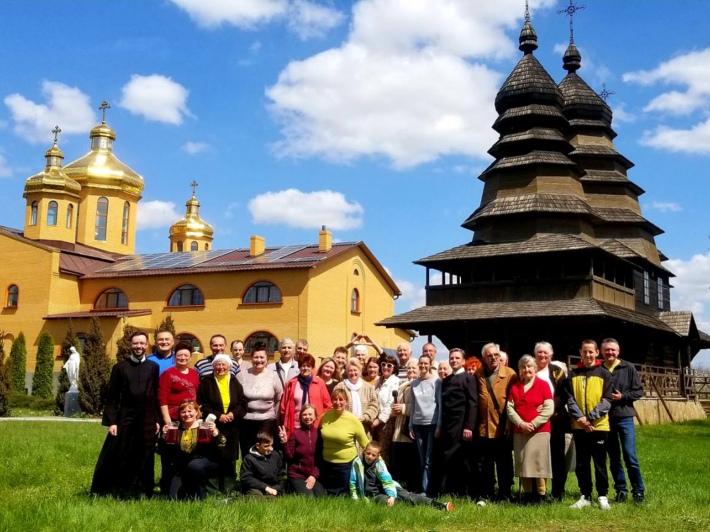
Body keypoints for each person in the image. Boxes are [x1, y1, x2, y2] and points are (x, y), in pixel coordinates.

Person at [91, 331, 160, 498]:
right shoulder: (120, 367)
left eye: (142, 343)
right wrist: (112, 422)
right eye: (136, 343)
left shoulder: (153, 367)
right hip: (125, 416)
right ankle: (118, 489)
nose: (139, 346)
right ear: (131, 345)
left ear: (147, 345)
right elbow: (113, 396)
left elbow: (155, 394)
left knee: (144, 453)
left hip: (147, 417)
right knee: (122, 452)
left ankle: (143, 490)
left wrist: (157, 419)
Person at [567, 339, 613, 510]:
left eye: (591, 352)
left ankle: (602, 496)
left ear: (596, 353)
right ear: (580, 352)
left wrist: (590, 418)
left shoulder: (604, 374)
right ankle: (585, 495)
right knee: (581, 463)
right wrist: (581, 419)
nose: (587, 355)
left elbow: (607, 400)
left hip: (599, 426)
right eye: (584, 352)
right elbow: (570, 399)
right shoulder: (573, 374)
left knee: (600, 463)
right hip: (579, 427)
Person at [601, 338, 645, 504]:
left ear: (618, 352)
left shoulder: (628, 367)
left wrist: (623, 397)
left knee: (629, 455)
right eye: (607, 350)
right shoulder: (600, 368)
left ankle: (638, 491)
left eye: (613, 350)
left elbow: (638, 391)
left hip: (625, 416)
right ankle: (620, 489)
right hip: (606, 418)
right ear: (602, 352)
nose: (610, 353)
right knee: (613, 457)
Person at [349, 441, 452, 511]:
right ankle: (405, 506)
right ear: (364, 451)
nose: (370, 457)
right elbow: (353, 482)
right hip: (375, 495)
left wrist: (392, 496)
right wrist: (355, 499)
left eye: (373, 455)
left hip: (389, 489)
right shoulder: (357, 463)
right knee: (384, 502)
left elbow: (387, 480)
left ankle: (440, 505)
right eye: (368, 453)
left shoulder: (379, 464)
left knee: (407, 496)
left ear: (377, 455)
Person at [506, 355, 554, 504]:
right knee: (523, 462)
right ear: (519, 370)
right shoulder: (515, 387)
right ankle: (527, 495)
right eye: (523, 367)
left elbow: (549, 408)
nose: (526, 369)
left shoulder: (543, 385)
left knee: (539, 462)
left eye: (529, 366)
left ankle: (541, 494)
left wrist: (533, 424)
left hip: (539, 431)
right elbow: (510, 408)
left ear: (534, 368)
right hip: (520, 431)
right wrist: (521, 424)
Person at [197, 354, 247, 493]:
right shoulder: (207, 381)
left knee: (229, 457)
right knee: (213, 456)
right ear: (213, 366)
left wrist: (232, 414)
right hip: (214, 424)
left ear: (229, 366)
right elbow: (202, 404)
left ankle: (228, 488)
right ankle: (212, 489)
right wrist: (219, 416)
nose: (220, 367)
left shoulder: (234, 381)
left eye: (223, 364)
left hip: (232, 425)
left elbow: (243, 403)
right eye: (217, 365)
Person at [474, 343, 517, 504]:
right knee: (485, 464)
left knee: (504, 463)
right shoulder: (478, 374)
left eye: (496, 355)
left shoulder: (510, 374)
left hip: (502, 427)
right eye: (489, 355)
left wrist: (510, 425)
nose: (493, 358)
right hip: (483, 427)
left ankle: (505, 494)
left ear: (500, 356)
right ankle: (487, 493)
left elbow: (514, 399)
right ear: (484, 358)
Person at [157, 341, 200, 495]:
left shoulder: (194, 373)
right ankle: (167, 487)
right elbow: (162, 398)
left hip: (189, 420)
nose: (182, 358)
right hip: (174, 419)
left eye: (186, 355)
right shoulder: (168, 373)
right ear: (175, 357)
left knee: (188, 453)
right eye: (180, 355)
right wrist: (167, 421)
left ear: (190, 358)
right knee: (170, 455)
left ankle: (186, 487)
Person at [161, 399, 225, 500]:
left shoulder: (205, 426)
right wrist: (164, 437)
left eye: (190, 411)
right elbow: (165, 452)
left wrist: (215, 433)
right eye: (183, 412)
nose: (187, 414)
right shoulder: (175, 428)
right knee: (174, 498)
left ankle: (201, 496)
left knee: (195, 466)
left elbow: (223, 444)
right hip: (182, 466)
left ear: (196, 412)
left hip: (203, 463)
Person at [534, 341, 574, 501]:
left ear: (550, 355)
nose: (542, 355)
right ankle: (539, 492)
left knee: (557, 457)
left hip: (556, 420)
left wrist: (548, 408)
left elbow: (564, 395)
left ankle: (558, 491)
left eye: (545, 353)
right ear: (535, 354)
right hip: (535, 422)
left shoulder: (557, 372)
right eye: (539, 353)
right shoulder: (530, 369)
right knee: (537, 457)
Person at [438, 348, 477, 497]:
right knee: (448, 458)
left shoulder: (468, 379)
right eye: (451, 358)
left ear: (462, 361)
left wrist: (469, 426)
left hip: (461, 423)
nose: (454, 360)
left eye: (457, 358)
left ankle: (464, 492)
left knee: (462, 458)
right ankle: (450, 490)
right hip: (448, 423)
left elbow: (472, 404)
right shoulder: (446, 380)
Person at [319, 388, 370, 495]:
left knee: (342, 495)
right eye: (335, 399)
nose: (338, 402)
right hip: (326, 463)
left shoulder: (353, 420)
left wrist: (380, 461)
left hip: (345, 465)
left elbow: (365, 443)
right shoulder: (325, 417)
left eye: (341, 399)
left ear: (346, 401)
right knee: (327, 494)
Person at [237, 342, 283, 458]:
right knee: (247, 451)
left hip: (267, 420)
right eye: (256, 357)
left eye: (262, 357)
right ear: (251, 358)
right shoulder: (242, 375)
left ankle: (264, 474)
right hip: (246, 420)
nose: (259, 360)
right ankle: (248, 475)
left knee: (264, 450)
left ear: (267, 359)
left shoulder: (273, 376)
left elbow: (279, 399)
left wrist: (277, 420)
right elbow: (236, 398)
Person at [280, 353, 331, 438]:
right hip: (295, 426)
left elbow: (328, 405)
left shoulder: (320, 383)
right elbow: (283, 407)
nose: (306, 368)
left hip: (315, 426)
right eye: (303, 366)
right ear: (299, 367)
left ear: (312, 368)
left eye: (308, 366)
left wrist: (319, 419)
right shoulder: (291, 383)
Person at [278, 404, 325, 497]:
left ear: (315, 416)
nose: (307, 417)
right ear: (300, 417)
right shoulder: (295, 433)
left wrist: (313, 476)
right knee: (309, 498)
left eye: (310, 414)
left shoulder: (319, 434)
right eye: (304, 414)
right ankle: (291, 487)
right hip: (298, 475)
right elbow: (290, 456)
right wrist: (284, 442)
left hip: (314, 474)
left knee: (321, 497)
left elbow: (321, 459)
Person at [409, 354, 439, 496]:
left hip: (431, 424)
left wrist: (439, 425)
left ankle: (428, 491)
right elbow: (413, 406)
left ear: (430, 364)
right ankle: (423, 488)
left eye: (425, 364)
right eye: (420, 363)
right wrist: (410, 425)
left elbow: (439, 405)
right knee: (422, 460)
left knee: (429, 460)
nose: (423, 366)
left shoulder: (436, 381)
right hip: (418, 424)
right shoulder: (414, 383)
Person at [390, 358, 419, 491]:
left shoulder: (418, 385)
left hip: (410, 429)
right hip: (399, 428)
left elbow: (420, 407)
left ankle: (412, 488)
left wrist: (402, 408)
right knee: (400, 461)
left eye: (414, 368)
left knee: (411, 462)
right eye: (409, 368)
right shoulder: (403, 385)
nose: (411, 370)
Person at [333, 358, 378, 432]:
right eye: (350, 370)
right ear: (347, 372)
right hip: (344, 428)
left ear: (360, 371)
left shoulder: (368, 387)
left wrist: (365, 417)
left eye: (355, 370)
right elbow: (335, 405)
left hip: (364, 428)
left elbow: (374, 405)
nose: (353, 372)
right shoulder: (340, 387)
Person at [372, 355, 401, 464]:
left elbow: (390, 403)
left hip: (386, 421)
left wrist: (379, 420)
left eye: (389, 365)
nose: (385, 367)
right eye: (383, 364)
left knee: (383, 451)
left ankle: (384, 478)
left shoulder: (395, 382)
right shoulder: (378, 381)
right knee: (374, 449)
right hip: (375, 420)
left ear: (394, 368)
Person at [240, 431, 286, 498]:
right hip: (256, 488)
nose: (270, 448)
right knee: (256, 497)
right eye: (266, 446)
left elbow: (281, 475)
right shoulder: (249, 459)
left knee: (274, 496)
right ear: (258, 445)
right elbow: (246, 478)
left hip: (273, 487)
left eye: (271, 445)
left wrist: (277, 487)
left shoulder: (275, 455)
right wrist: (265, 487)